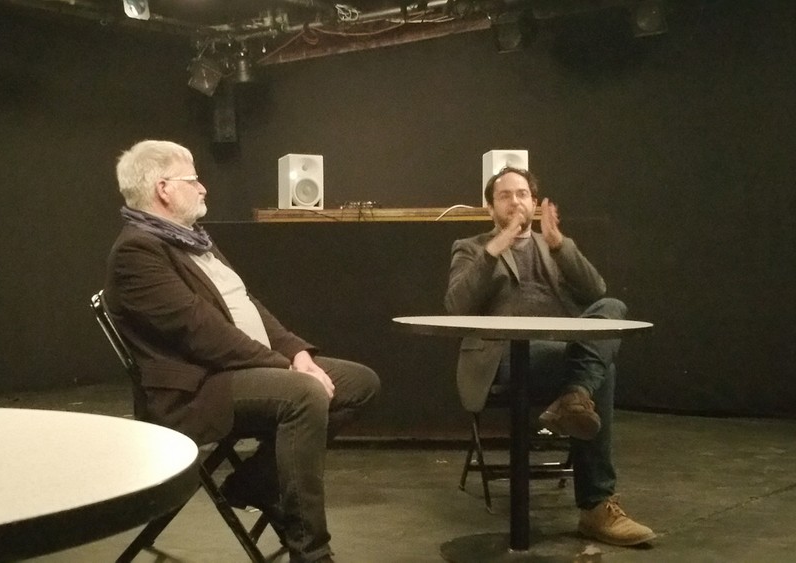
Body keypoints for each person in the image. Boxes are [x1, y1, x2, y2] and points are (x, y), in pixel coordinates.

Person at [104, 140, 380, 563]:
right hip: (194, 392)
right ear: (163, 189)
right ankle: (311, 551)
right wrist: (289, 369)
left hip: (237, 370)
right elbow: (203, 334)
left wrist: (298, 354)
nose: (203, 188)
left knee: (359, 383)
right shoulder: (137, 252)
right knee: (304, 394)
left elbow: (248, 304)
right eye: (193, 179)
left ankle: (255, 482)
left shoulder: (192, 240)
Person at [444, 166, 655, 546]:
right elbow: (456, 305)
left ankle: (575, 395)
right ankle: (596, 505)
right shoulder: (472, 247)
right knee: (601, 370)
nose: (515, 202)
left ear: (535, 202)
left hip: (559, 351)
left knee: (613, 307)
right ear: (490, 207)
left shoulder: (552, 246)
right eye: (505, 196)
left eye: (522, 194)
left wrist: (560, 246)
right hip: (503, 357)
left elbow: (596, 292)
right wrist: (496, 248)